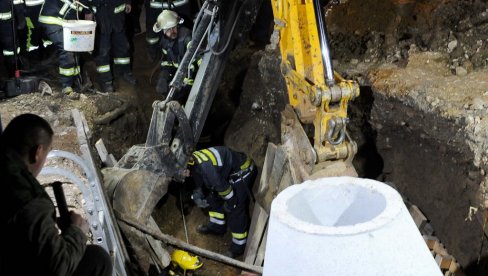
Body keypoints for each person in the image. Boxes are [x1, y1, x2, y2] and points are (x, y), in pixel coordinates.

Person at [0, 113, 113, 275]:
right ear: (37, 152)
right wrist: (77, 232)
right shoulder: (30, 199)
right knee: (98, 259)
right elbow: (58, 267)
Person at [188, 146, 256, 258]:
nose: (184, 175)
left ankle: (238, 247)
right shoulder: (192, 161)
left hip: (242, 171)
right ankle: (217, 227)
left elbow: (223, 188)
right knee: (211, 198)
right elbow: (199, 178)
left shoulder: (206, 166)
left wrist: (231, 202)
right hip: (225, 174)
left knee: (236, 210)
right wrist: (198, 192)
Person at [39, 0, 91, 98]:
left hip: (65, 23)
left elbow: (88, 15)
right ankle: (66, 87)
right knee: (67, 49)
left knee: (75, 49)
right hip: (52, 20)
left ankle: (76, 83)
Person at [89, 0, 137, 93]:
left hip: (117, 16)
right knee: (103, 51)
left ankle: (125, 72)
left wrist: (128, 2)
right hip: (100, 16)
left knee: (123, 47)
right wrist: (87, 11)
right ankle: (106, 81)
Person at [153, 9, 200, 101]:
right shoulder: (165, 43)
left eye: (173, 27)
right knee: (166, 93)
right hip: (179, 78)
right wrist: (163, 77)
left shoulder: (186, 37)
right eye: (168, 30)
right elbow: (167, 62)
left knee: (177, 99)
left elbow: (198, 55)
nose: (172, 31)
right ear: (162, 31)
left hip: (192, 80)